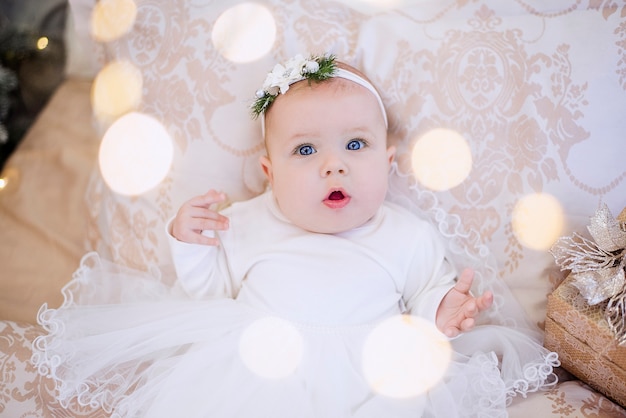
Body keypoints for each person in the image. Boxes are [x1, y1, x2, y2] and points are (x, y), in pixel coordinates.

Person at [32, 54, 559, 418]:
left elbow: (425, 293)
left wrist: (441, 312)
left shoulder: (405, 234)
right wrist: (190, 241)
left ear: (388, 160)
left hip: (372, 369)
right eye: (306, 151)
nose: (334, 167)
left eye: (356, 145)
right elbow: (211, 294)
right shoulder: (247, 222)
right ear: (269, 171)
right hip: (257, 361)